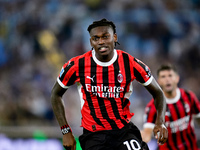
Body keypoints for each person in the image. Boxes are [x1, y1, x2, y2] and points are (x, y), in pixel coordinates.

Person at [51, 18, 168, 150]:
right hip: (94, 135)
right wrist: (66, 131)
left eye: (106, 37)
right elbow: (56, 94)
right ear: (91, 42)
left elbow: (158, 93)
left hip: (124, 131)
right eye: (96, 38)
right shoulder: (78, 65)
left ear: (115, 37)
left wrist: (160, 122)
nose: (101, 42)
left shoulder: (130, 63)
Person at [141, 64, 200, 150]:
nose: (167, 79)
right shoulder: (153, 107)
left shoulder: (189, 97)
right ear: (159, 81)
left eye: (170, 75)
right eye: (163, 77)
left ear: (177, 78)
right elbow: (147, 134)